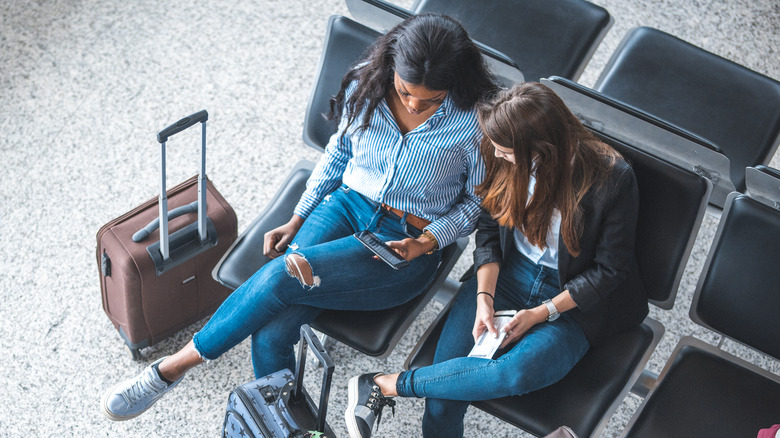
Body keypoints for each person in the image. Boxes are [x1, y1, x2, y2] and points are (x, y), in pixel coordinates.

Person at [101, 13, 498, 421]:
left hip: (406, 243)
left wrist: (428, 241)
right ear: (392, 66)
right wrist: (299, 216)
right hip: (347, 204)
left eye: (430, 99)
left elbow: (477, 205)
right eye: (405, 91)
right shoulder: (369, 82)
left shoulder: (476, 121)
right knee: (271, 335)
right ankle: (289, 429)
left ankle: (169, 369)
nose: (414, 104)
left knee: (283, 274)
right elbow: (339, 152)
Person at [344, 82, 649, 438]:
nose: (499, 156)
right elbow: (489, 231)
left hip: (574, 298)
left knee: (514, 373)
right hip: (507, 272)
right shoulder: (500, 152)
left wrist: (541, 312)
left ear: (541, 149)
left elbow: (610, 271)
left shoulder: (611, 177)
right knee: (443, 397)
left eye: (506, 152)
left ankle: (383, 384)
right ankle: (382, 387)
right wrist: (484, 298)